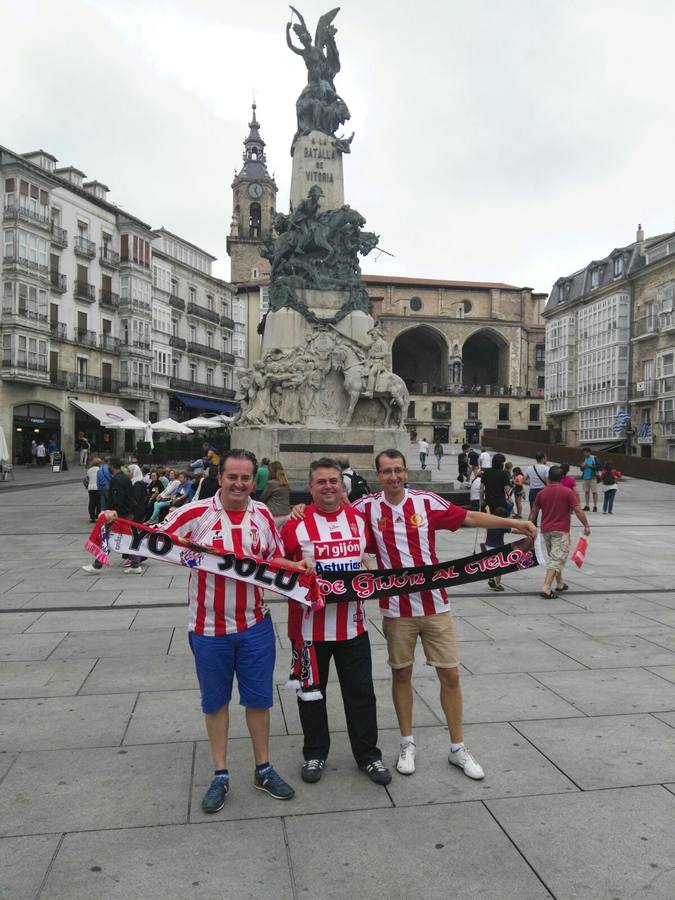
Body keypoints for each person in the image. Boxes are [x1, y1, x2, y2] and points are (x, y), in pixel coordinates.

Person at [353, 449, 536, 779]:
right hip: (396, 609)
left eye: (397, 470)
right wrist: (295, 513)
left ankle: (457, 748)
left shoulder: (425, 502)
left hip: (435, 603)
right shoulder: (365, 508)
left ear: (406, 472)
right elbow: (329, 516)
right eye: (386, 471)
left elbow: (468, 518)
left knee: (450, 675)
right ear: (377, 475)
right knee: (401, 674)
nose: (392, 476)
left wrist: (513, 524)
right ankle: (407, 742)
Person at [156, 449, 309, 811]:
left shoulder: (262, 515)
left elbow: (270, 559)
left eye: (245, 478)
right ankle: (220, 774)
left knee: (258, 700)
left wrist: (296, 566)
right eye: (232, 477)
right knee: (215, 702)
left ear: (252, 479)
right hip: (208, 628)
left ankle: (263, 768)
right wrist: (114, 523)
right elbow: (150, 539)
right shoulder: (197, 513)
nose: (239, 484)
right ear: (220, 477)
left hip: (254, 625)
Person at [282, 458, 391, 787]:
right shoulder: (294, 525)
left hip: (352, 627)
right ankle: (315, 752)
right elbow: (278, 567)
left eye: (334, 481)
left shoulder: (357, 519)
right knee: (311, 694)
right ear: (310, 487)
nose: (329, 486)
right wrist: (295, 568)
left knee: (361, 694)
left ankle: (368, 756)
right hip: (308, 632)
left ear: (342, 486)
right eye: (321, 482)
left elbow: (371, 555)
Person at [529, 465, 590, 599]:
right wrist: (586, 525)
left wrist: (528, 526)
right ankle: (546, 587)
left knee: (555, 556)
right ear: (562, 478)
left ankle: (560, 583)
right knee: (557, 558)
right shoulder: (568, 492)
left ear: (549, 478)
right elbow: (578, 510)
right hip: (561, 530)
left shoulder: (542, 492)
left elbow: (534, 511)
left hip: (546, 530)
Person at [81, 458, 143, 575]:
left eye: (108, 465)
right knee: (124, 539)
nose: (107, 467)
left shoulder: (117, 480)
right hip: (127, 513)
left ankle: (97, 565)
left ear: (112, 466)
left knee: (108, 538)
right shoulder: (125, 478)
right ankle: (135, 565)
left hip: (119, 515)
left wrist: (111, 512)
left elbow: (117, 499)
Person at [484, 506, 510, 592]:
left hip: (487, 546)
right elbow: (514, 530)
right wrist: (525, 531)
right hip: (498, 547)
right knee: (499, 567)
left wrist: (487, 509)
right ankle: (498, 584)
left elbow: (488, 516)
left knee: (491, 565)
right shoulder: (502, 526)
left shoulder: (489, 521)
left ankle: (491, 579)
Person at [260, 460, 291, 527]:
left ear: (272, 472)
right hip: (287, 514)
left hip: (275, 515)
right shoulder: (286, 483)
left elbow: (262, 498)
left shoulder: (271, 483)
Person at [580, 447, 600, 512]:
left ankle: (595, 506)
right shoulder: (584, 458)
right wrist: (582, 467)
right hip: (585, 477)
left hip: (593, 477)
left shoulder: (594, 458)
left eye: (585, 452)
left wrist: (591, 466)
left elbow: (599, 467)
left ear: (588, 452)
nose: (584, 454)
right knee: (586, 492)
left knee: (594, 492)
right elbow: (581, 468)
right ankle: (587, 506)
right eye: (583, 453)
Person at [86, 457, 102, 522]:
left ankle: (92, 516)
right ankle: (97, 516)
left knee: (92, 502)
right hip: (97, 487)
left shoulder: (89, 470)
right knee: (98, 502)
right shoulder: (100, 469)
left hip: (90, 488)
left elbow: (87, 478)